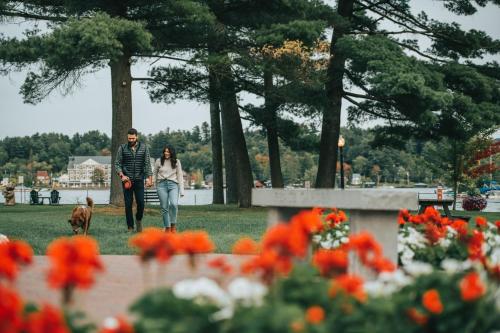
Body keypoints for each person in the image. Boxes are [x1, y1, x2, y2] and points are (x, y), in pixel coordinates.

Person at [114, 128, 153, 232]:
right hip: (127, 181)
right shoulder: (122, 148)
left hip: (139, 179)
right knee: (128, 204)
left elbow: (147, 164)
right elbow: (117, 164)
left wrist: (150, 179)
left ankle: (138, 220)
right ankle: (130, 227)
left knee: (141, 203)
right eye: (129, 138)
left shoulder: (144, 148)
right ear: (127, 137)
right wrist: (122, 175)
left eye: (133, 138)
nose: (131, 140)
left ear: (137, 137)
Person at [154, 145, 184, 233]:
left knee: (174, 204)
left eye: (168, 152)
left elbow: (180, 176)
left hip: (173, 185)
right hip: (161, 185)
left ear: (172, 152)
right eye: (165, 151)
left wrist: (182, 191)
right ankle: (167, 228)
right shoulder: (158, 161)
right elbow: (154, 173)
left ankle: (173, 226)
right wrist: (155, 185)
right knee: (164, 207)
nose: (166, 153)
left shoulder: (177, 162)